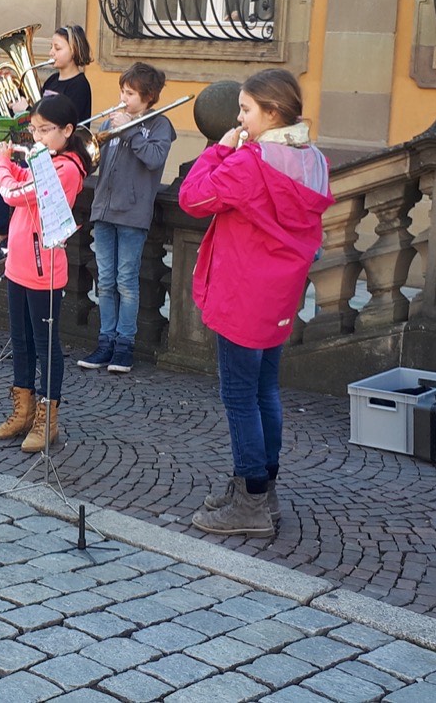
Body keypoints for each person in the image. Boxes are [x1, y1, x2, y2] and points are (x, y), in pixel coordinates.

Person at [178, 69, 332, 538]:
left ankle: (250, 503)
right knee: (265, 391)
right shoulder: (314, 159)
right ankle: (263, 488)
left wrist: (219, 149)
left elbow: (192, 198)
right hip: (278, 294)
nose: (240, 118)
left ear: (272, 112)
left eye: (246, 110)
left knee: (240, 396)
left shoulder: (251, 162)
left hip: (243, 292)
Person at [0, 94, 91, 452]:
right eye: (34, 130)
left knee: (45, 345)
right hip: (19, 262)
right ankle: (23, 411)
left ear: (67, 130)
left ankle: (47, 419)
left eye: (45, 130)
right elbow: (22, 178)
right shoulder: (46, 159)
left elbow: (14, 193)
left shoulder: (67, 169)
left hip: (44, 269)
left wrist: (1, 163)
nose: (37, 137)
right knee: (21, 340)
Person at [79, 62, 176, 375]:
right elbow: (98, 162)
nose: (123, 98)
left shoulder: (159, 126)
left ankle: (124, 345)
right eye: (122, 91)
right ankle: (105, 341)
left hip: (133, 214)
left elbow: (154, 159)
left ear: (148, 96)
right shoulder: (113, 120)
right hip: (104, 210)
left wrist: (130, 129)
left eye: (130, 93)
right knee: (105, 281)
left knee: (126, 282)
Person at [0, 25, 93, 272]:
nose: (51, 53)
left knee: (11, 187)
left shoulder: (80, 86)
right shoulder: (51, 80)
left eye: (57, 48)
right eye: (51, 47)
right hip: (40, 149)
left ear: (74, 50)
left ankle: (3, 240)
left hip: (58, 156)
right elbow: (39, 114)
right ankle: (2, 237)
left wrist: (27, 111)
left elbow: (61, 121)